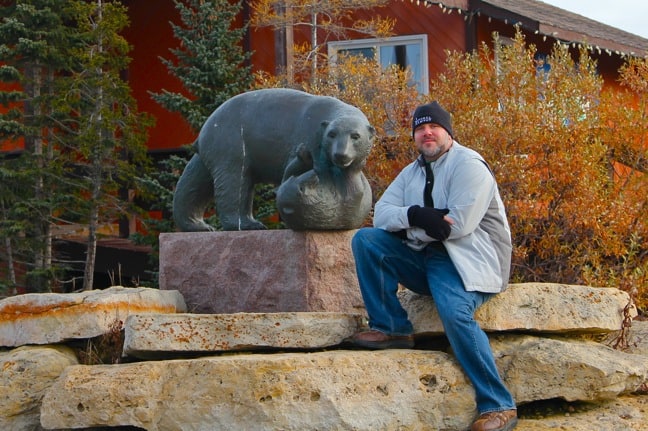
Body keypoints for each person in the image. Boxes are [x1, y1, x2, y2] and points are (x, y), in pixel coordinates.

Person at [348, 101, 518, 431]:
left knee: (454, 312)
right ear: (414, 136)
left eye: (434, 127)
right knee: (366, 240)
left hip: (470, 260)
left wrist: (412, 223)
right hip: (427, 253)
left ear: (447, 132)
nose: (427, 132)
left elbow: (455, 227)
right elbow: (381, 214)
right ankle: (392, 327)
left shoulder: (469, 165)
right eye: (420, 128)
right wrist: (414, 214)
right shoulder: (411, 171)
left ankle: (499, 405)